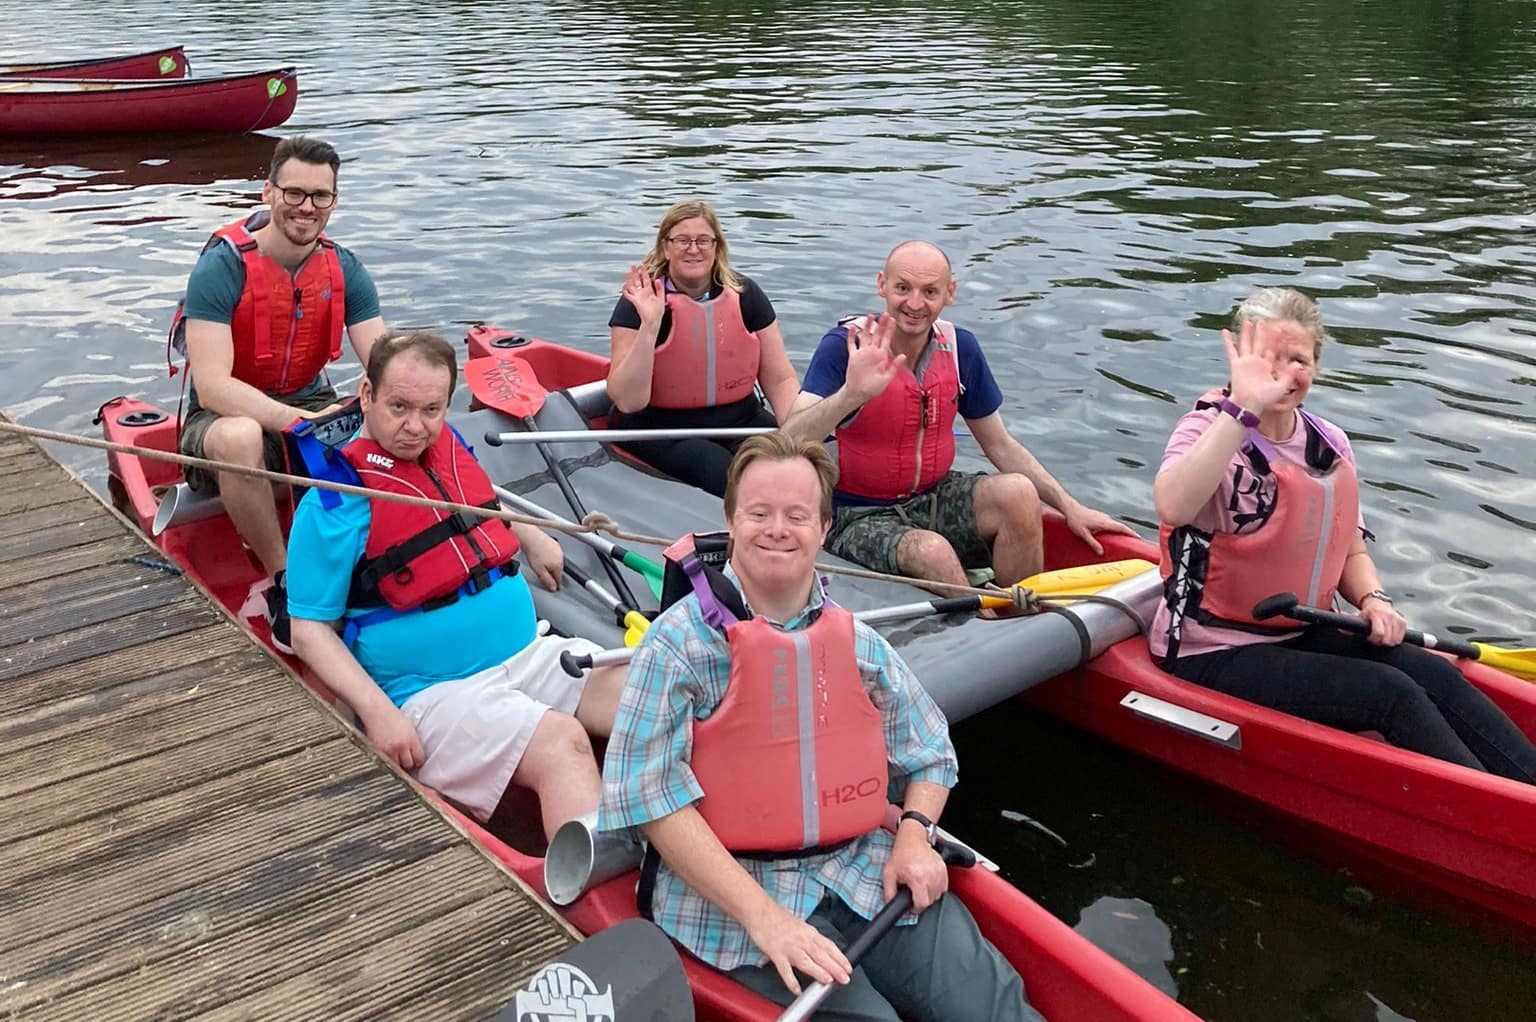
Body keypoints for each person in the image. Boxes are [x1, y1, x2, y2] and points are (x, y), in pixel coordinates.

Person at [598, 432, 1041, 1020]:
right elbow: (648, 801)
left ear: (824, 528)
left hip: (866, 871)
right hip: (733, 905)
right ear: (731, 520)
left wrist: (912, 836)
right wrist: (766, 919)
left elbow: (931, 750)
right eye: (759, 513)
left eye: (797, 515)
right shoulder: (677, 646)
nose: (777, 529)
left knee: (991, 1006)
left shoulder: (857, 641)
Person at [1151, 287, 1536, 783]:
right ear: (1240, 358)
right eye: (1269, 358)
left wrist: (1375, 602)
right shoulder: (1204, 429)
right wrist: (1241, 409)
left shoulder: (1328, 443)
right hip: (1211, 649)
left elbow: (1348, 546)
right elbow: (1173, 505)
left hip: (1299, 630)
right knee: (1388, 694)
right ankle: (1509, 820)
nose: (1286, 373)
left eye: (1300, 360)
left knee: (1433, 673)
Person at [287, 333, 630, 838]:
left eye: (431, 410)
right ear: (366, 394)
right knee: (563, 743)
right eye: (398, 406)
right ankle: (588, 897)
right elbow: (308, 631)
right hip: (433, 692)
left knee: (649, 693)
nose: (414, 427)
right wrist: (379, 715)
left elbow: (477, 503)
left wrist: (531, 536)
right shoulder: (333, 504)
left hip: (527, 653)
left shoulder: (444, 451)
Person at [783, 240, 1133, 589]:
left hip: (932, 497)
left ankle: (1021, 614)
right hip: (852, 514)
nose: (915, 304)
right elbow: (787, 440)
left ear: (949, 293)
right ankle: (982, 625)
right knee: (932, 551)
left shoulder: (961, 348)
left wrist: (1070, 507)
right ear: (882, 285)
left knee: (1019, 493)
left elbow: (1001, 445)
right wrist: (851, 395)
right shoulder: (844, 348)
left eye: (930, 291)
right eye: (903, 288)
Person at [173, 135, 388, 648]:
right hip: (224, 416)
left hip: (311, 401)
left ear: (334, 202)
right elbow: (213, 385)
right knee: (242, 437)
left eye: (320, 196)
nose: (306, 208)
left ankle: (382, 555)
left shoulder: (346, 269)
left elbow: (384, 361)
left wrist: (399, 398)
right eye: (294, 193)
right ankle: (285, 581)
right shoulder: (222, 267)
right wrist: (292, 423)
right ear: (268, 192)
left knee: (395, 420)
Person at [605, 199, 800, 497]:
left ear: (717, 246)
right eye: (682, 240)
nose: (693, 249)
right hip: (660, 427)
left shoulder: (746, 295)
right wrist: (650, 326)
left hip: (739, 419)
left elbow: (780, 378)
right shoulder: (641, 301)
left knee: (788, 464)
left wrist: (796, 433)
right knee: (719, 469)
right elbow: (628, 402)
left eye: (703, 240)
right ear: (666, 247)